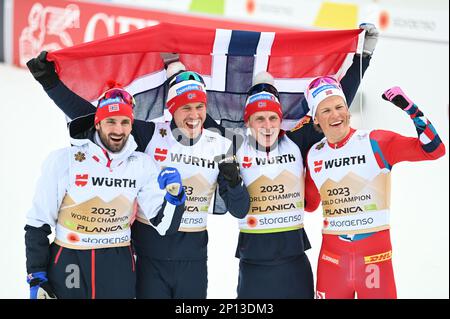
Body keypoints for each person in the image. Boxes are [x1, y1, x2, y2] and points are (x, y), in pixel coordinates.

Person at [25, 58, 250, 299]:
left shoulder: (222, 145)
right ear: (171, 108)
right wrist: (50, 84)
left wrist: (235, 183)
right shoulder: (152, 134)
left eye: (199, 107)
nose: (194, 115)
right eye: (185, 107)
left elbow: (240, 210)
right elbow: (100, 117)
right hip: (147, 254)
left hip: (192, 257)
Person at [25, 86, 186, 299]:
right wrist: (36, 276)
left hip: (117, 264)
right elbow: (38, 222)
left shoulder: (142, 165)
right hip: (69, 260)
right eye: (111, 121)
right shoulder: (65, 161)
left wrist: (175, 197)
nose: (118, 130)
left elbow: (164, 225)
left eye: (124, 122)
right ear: (98, 122)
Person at [304, 78, 446, 299]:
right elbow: (310, 204)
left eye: (340, 107)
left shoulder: (375, 141)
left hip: (374, 260)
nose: (336, 115)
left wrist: (411, 110)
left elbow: (434, 150)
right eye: (326, 110)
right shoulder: (314, 154)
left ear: (348, 111)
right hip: (332, 262)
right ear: (316, 119)